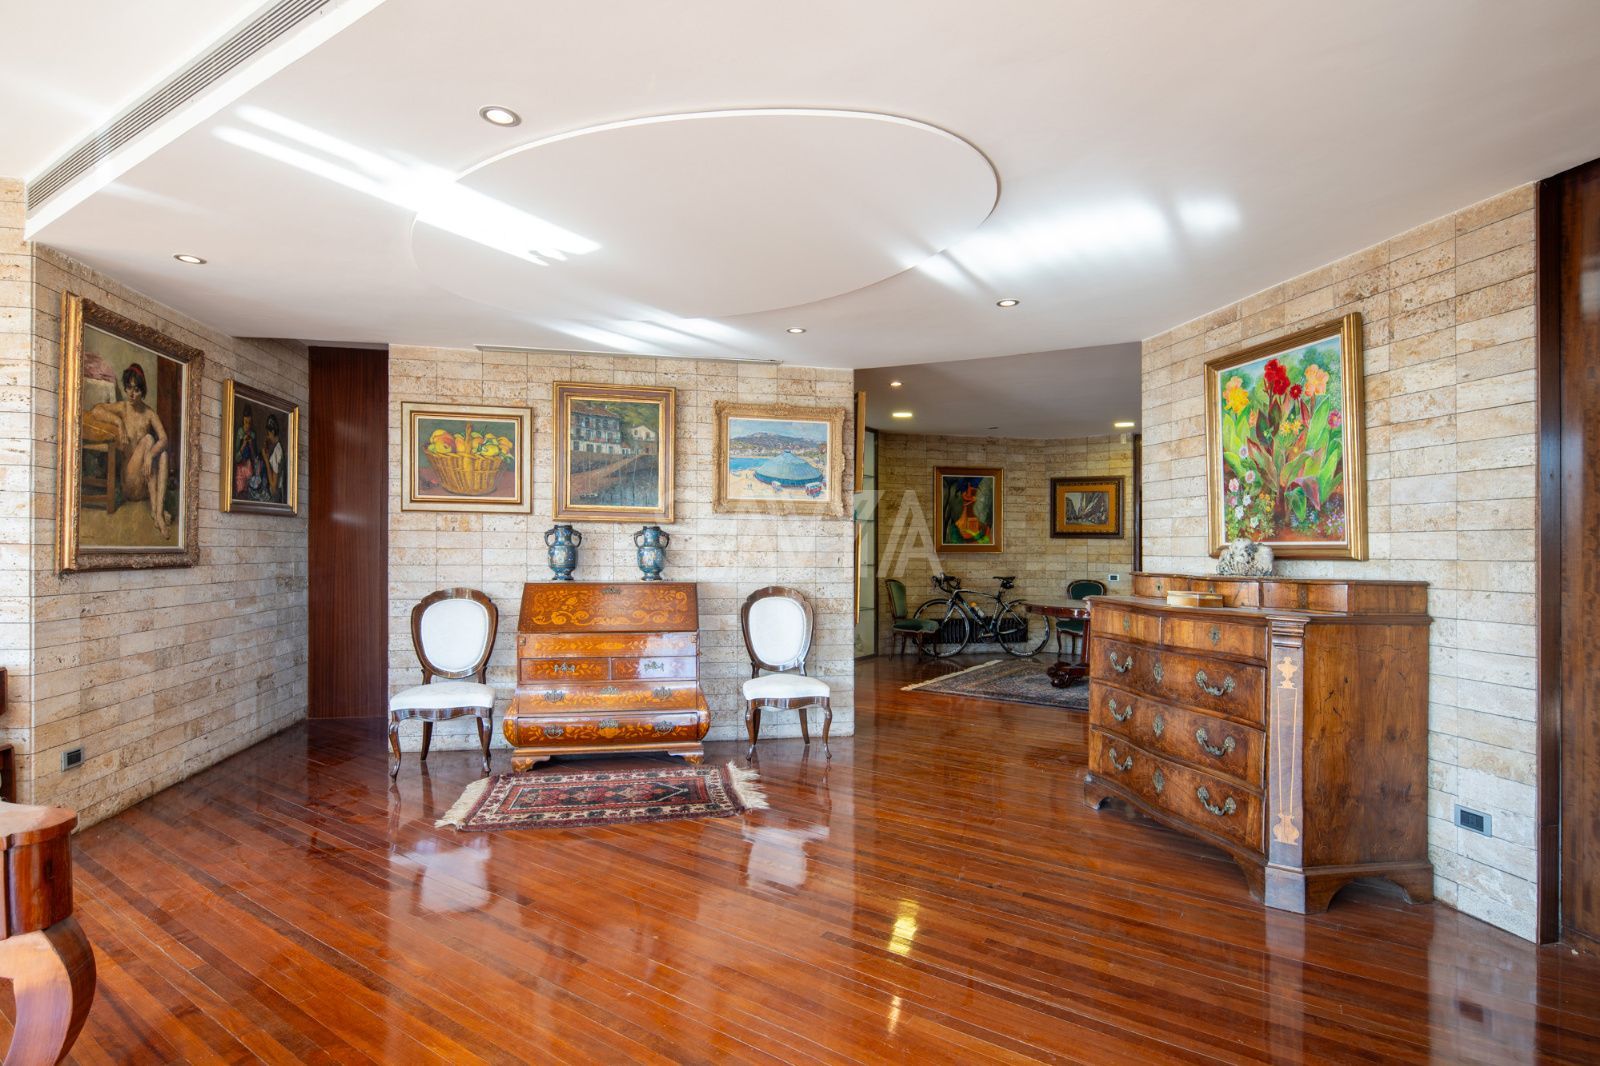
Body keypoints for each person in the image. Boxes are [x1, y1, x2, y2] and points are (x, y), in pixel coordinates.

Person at [85, 363, 172, 537]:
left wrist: (151, 455)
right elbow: (96, 410)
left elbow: (164, 439)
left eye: (136, 390)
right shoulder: (123, 408)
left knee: (162, 454)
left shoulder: (149, 413)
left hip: (145, 484)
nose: (132, 394)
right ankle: (158, 513)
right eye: (129, 388)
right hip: (129, 483)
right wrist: (119, 422)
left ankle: (158, 512)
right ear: (125, 388)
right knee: (149, 439)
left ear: (142, 391)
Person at [262, 414, 284, 501]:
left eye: (268, 434)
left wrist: (266, 461)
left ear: (273, 432)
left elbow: (274, 489)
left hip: (276, 497)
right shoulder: (279, 447)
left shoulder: (276, 452)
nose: (267, 437)